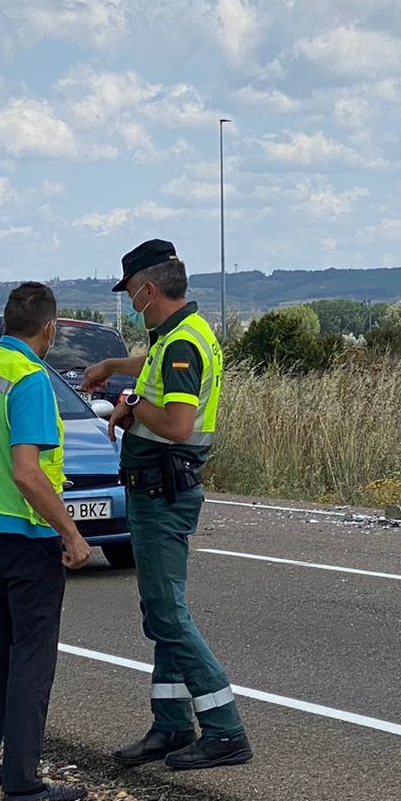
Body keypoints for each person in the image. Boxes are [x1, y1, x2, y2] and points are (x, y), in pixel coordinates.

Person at [80, 240, 252, 770]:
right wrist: (114, 363)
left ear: (150, 289)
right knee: (160, 609)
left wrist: (130, 404)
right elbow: (153, 364)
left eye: (132, 293)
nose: (131, 303)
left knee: (168, 614)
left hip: (161, 489)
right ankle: (172, 723)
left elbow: (176, 424)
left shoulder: (179, 346)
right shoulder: (181, 335)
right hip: (158, 487)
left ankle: (224, 729)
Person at [0, 280, 94, 801]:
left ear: (3, 325)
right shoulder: (32, 380)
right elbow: (27, 472)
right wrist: (72, 534)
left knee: (0, 652)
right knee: (32, 661)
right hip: (27, 534)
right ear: (49, 329)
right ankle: (23, 785)